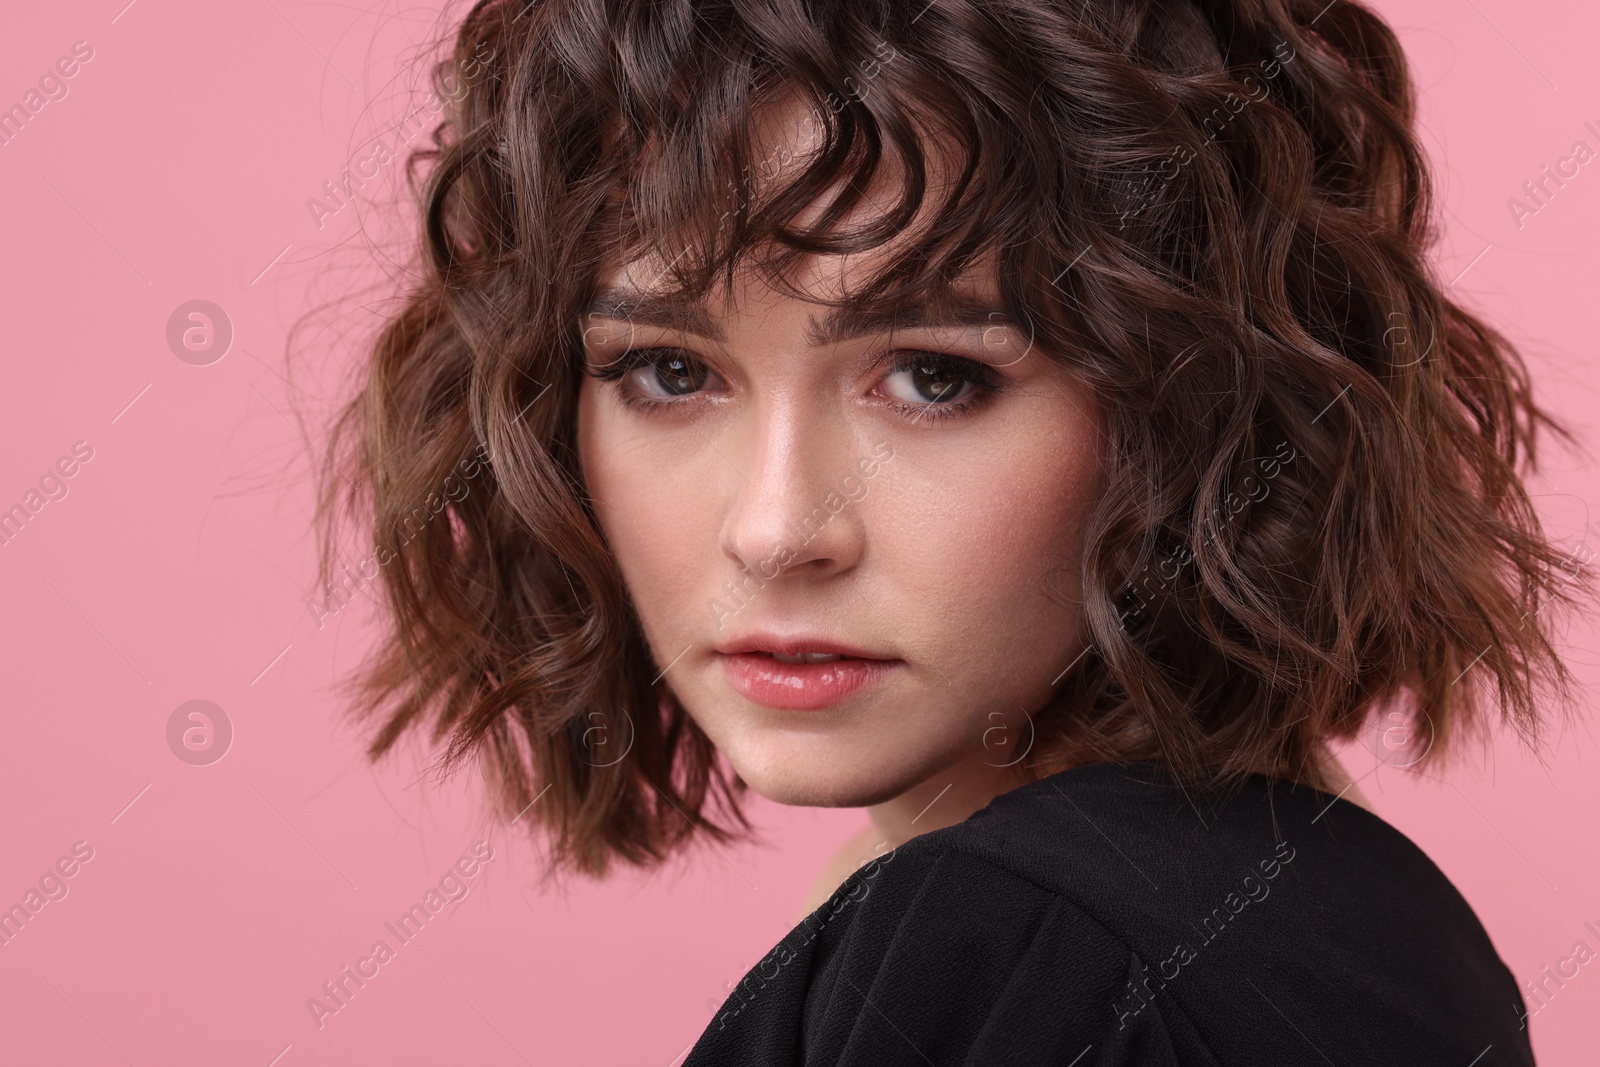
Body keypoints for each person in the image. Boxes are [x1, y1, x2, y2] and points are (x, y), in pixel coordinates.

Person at [311, 0, 1589, 1060]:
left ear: (1198, 406)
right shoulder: (1353, 915)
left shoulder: (1006, 950)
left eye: (932, 377)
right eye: (667, 372)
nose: (774, 530)